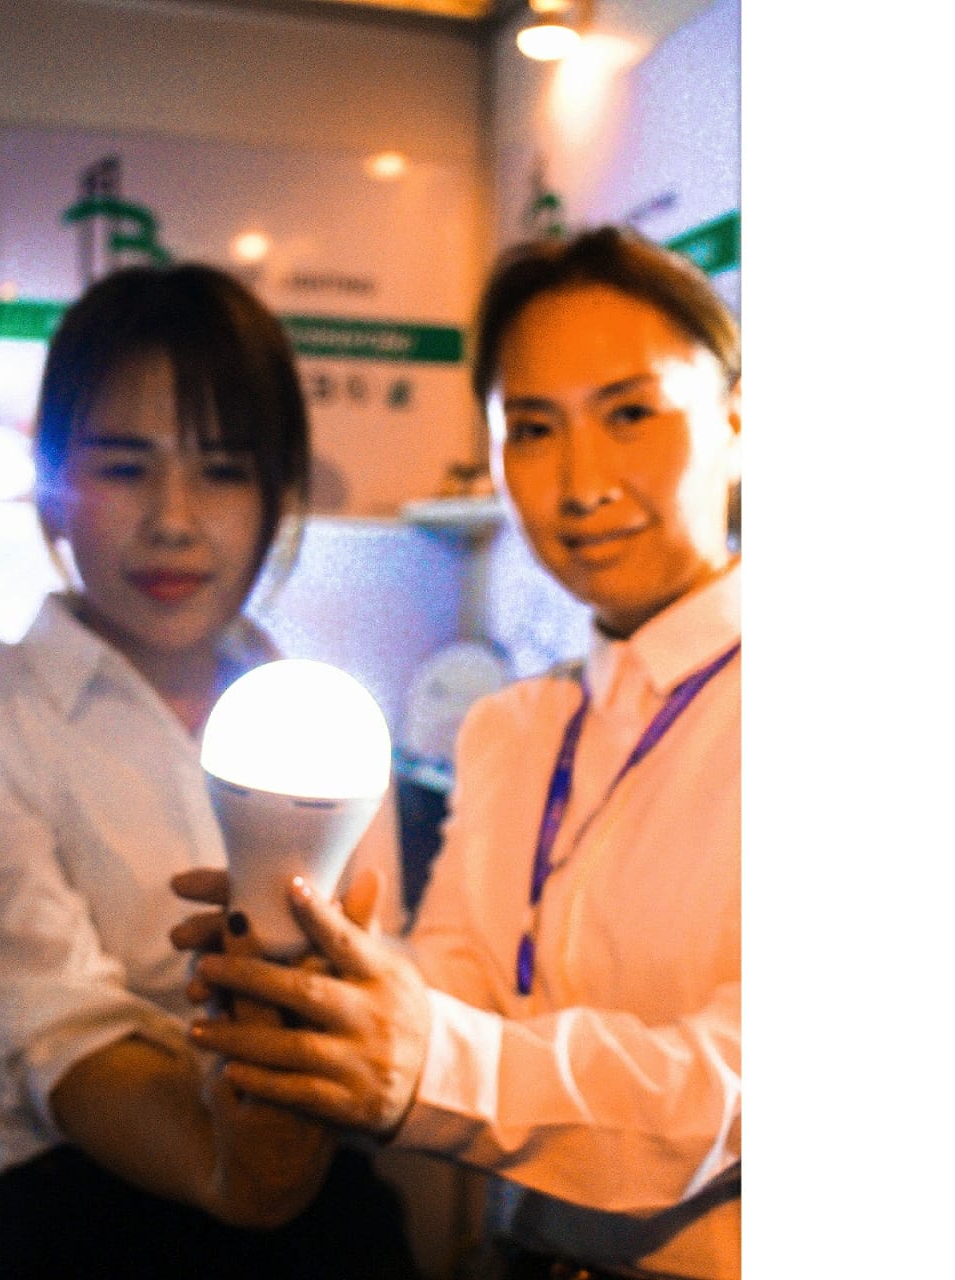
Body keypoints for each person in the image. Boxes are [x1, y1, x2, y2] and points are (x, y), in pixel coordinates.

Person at [175, 226, 742, 1280]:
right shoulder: (513, 726)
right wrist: (322, 974)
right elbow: (460, 978)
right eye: (531, 427)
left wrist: (429, 1063)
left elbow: (738, 1082)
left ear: (738, 421)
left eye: (629, 413)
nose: (579, 482)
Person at [0, 262, 418, 1279]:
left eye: (221, 469)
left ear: (277, 493)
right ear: (54, 487)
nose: (174, 518)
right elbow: (59, 1029)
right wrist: (241, 1171)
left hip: (336, 1226)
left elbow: (379, 977)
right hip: (85, 1231)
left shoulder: (323, 717)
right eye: (125, 467)